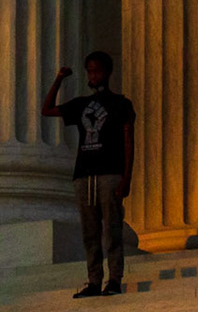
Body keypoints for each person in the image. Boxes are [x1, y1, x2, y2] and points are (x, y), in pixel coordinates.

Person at [42, 51, 137, 299]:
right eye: (90, 71)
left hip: (110, 174)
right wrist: (59, 79)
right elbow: (47, 109)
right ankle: (94, 280)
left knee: (112, 229)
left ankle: (114, 279)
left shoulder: (121, 104)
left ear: (106, 72)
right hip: (84, 174)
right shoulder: (81, 104)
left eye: (96, 70)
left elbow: (129, 142)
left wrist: (126, 178)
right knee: (90, 231)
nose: (93, 75)